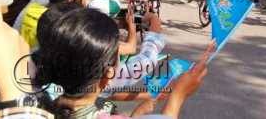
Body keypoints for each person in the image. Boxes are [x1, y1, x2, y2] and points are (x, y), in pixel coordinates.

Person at [33, 7, 214, 118]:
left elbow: (109, 92)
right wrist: (178, 96)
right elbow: (144, 59)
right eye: (116, 55)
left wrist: (141, 107)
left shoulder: (34, 103)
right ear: (108, 73)